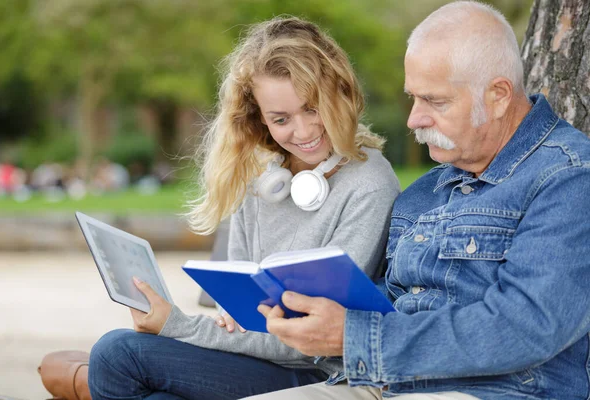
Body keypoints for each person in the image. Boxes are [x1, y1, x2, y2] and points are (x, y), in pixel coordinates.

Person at [39, 16, 401, 400]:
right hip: (257, 359)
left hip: (318, 372)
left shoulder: (369, 183)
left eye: (313, 108)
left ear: (340, 93)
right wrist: (223, 324)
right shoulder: (263, 176)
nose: (305, 131)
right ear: (258, 119)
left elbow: (309, 338)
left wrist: (179, 326)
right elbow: (243, 317)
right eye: (281, 119)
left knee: (116, 353)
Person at [244, 2, 590, 400]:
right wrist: (313, 315)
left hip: (496, 391)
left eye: (435, 102)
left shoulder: (568, 177)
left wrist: (354, 334)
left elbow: (527, 326)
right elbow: (397, 303)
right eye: (413, 98)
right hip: (384, 382)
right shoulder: (426, 191)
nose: (413, 119)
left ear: (497, 96)